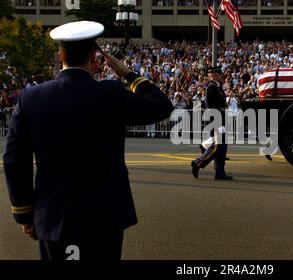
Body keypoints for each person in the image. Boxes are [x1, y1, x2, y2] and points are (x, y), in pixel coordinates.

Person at [3, 21, 174, 260]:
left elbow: (14, 159)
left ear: (59, 54)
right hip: (105, 215)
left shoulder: (31, 97)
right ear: (95, 58)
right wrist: (129, 74)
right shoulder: (111, 93)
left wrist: (24, 213)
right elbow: (162, 106)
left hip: (54, 214)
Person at [191, 66, 232, 180]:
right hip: (217, 119)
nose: (220, 75)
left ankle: (220, 171)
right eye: (218, 73)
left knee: (222, 147)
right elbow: (209, 105)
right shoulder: (212, 87)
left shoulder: (217, 86)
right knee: (218, 146)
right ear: (212, 74)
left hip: (221, 118)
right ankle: (198, 162)